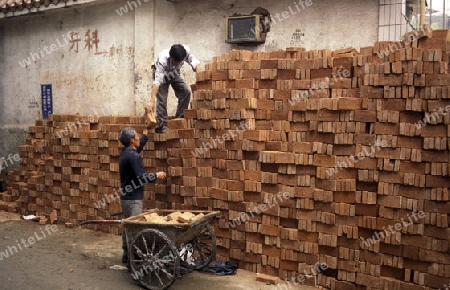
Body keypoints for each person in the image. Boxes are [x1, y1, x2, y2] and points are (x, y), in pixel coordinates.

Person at [118, 127, 167, 265]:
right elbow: (141, 177)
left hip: (126, 197)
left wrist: (145, 132)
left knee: (128, 225)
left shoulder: (126, 153)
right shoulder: (132, 156)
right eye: (137, 136)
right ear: (132, 140)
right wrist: (156, 176)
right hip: (133, 199)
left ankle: (126, 255)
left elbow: (137, 152)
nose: (139, 138)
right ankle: (133, 261)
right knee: (135, 229)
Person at [145, 44, 200, 133]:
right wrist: (151, 101)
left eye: (180, 61)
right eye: (176, 61)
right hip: (162, 76)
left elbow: (196, 64)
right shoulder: (163, 60)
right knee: (162, 99)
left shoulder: (185, 52)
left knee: (186, 92)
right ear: (171, 57)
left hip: (174, 73)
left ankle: (179, 120)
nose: (178, 63)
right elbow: (157, 83)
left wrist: (200, 81)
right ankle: (161, 125)